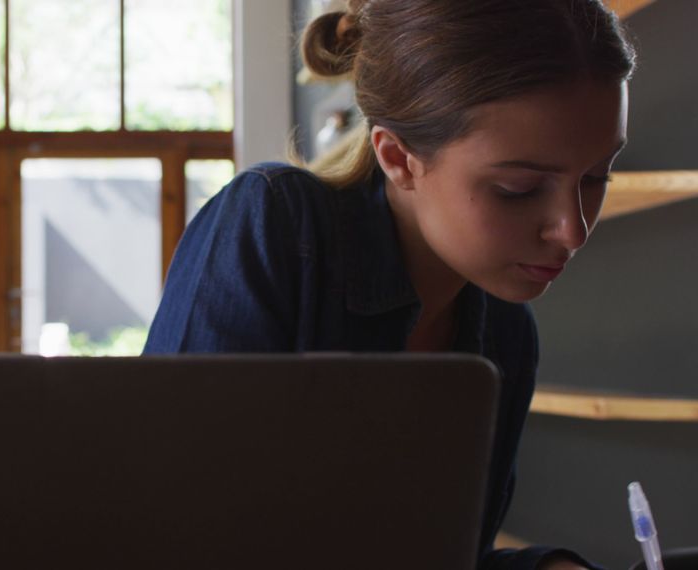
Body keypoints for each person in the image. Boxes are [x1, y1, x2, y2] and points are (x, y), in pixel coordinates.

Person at [143, 0, 633, 569]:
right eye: (519, 188)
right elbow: (167, 532)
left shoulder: (505, 331)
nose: (572, 230)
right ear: (398, 157)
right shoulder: (276, 226)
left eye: (598, 176)